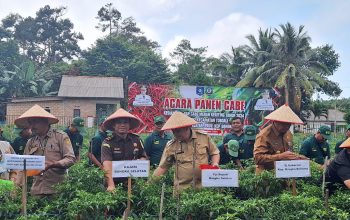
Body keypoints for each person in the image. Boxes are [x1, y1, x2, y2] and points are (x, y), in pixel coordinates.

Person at [15, 104, 75, 197]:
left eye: (35, 122)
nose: (32, 126)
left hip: (57, 190)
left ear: (46, 121)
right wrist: (17, 188)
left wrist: (52, 164)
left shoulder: (60, 136)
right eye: (30, 123)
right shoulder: (31, 142)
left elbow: (70, 159)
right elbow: (23, 165)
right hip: (37, 190)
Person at [153, 111, 220, 193]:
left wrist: (215, 164)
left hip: (203, 188)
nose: (175, 134)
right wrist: (150, 183)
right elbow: (163, 167)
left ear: (187, 127)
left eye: (178, 131)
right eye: (173, 131)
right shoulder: (171, 145)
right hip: (182, 190)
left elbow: (215, 153)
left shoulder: (203, 137)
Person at [101, 108, 147, 192]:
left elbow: (143, 157)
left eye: (125, 122)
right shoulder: (108, 142)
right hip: (115, 184)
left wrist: (137, 162)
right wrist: (111, 185)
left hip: (133, 183)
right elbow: (107, 165)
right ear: (114, 125)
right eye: (119, 122)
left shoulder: (136, 139)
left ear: (129, 125)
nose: (122, 125)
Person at [254, 104, 308, 174]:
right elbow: (257, 158)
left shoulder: (288, 133)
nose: (287, 126)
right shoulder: (264, 135)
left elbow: (288, 153)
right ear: (275, 121)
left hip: (284, 172)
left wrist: (299, 158)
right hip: (266, 175)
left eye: (289, 124)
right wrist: (280, 156)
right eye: (284, 124)